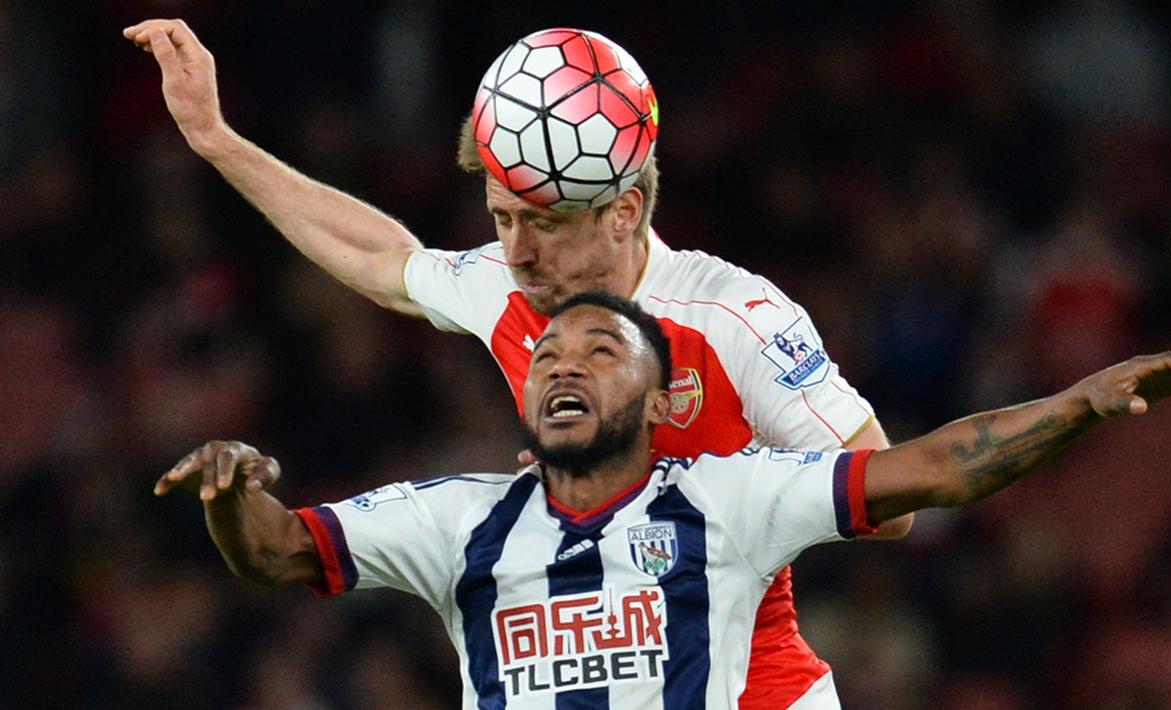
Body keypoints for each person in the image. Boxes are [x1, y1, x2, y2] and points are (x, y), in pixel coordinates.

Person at [122, 18, 906, 708]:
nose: (518, 253)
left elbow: (888, 496)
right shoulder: (507, 284)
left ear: (625, 211)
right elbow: (382, 260)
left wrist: (736, 501)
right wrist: (216, 141)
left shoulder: (733, 317)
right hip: (597, 667)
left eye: (545, 226)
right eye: (500, 220)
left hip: (753, 690)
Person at [157, 293, 1171, 708]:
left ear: (665, 395)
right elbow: (278, 552)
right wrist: (230, 490)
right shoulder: (457, 520)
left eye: (598, 349)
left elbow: (939, 469)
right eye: (547, 356)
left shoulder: (727, 498)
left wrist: (1085, 401)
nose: (562, 365)